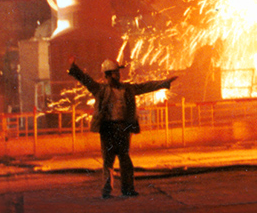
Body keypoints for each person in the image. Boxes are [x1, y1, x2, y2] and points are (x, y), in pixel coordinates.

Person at [67, 58, 176, 198]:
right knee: (108, 161)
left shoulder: (127, 89)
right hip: (107, 128)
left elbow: (145, 87)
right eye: (115, 72)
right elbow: (86, 80)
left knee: (125, 160)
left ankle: (127, 189)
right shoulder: (101, 90)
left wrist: (164, 83)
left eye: (118, 72)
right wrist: (74, 68)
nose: (118, 75)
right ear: (108, 74)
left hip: (123, 128)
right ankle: (107, 191)